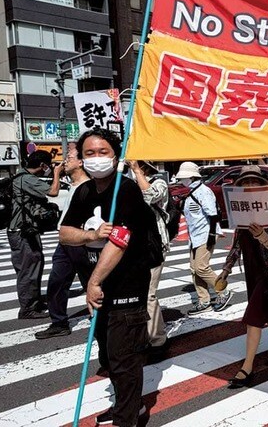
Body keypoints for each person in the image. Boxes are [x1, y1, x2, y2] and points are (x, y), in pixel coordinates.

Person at [60, 128, 151, 427]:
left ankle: (128, 418)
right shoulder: (84, 191)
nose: (96, 159)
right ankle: (129, 405)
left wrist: (94, 282)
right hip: (98, 294)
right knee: (109, 359)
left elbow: (121, 239)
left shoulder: (126, 190)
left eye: (103, 152)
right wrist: (90, 234)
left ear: (115, 155)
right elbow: (65, 233)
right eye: (89, 154)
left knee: (124, 362)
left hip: (125, 288)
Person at [215, 166, 268, 388]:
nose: (249, 186)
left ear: (262, 186)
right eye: (244, 182)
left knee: (254, 317)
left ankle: (247, 367)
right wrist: (226, 270)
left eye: (254, 182)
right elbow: (237, 244)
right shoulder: (240, 215)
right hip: (252, 271)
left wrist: (262, 236)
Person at [35, 148, 93, 339]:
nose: (65, 161)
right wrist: (56, 174)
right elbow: (52, 192)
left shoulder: (89, 187)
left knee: (92, 283)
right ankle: (59, 322)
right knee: (57, 282)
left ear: (81, 162)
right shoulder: (73, 185)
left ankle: (102, 320)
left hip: (81, 242)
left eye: (69, 158)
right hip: (65, 242)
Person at [8, 151, 62, 319]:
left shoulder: (20, 176)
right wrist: (57, 174)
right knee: (29, 269)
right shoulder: (27, 179)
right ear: (43, 165)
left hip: (21, 230)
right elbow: (53, 192)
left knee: (31, 266)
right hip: (23, 232)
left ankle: (34, 302)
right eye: (49, 165)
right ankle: (27, 308)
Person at [176, 161, 232, 315]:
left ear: (193, 177)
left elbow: (213, 215)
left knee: (201, 267)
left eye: (184, 178)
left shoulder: (203, 191)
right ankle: (204, 300)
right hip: (194, 236)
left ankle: (223, 291)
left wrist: (212, 235)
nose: (182, 180)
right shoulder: (190, 192)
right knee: (194, 269)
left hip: (205, 234)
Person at [128, 160, 171, 354]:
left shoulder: (158, 182)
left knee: (149, 294)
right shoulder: (127, 183)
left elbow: (151, 196)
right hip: (131, 246)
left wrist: (137, 171)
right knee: (136, 293)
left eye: (137, 165)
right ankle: (142, 335)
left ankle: (158, 340)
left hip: (152, 246)